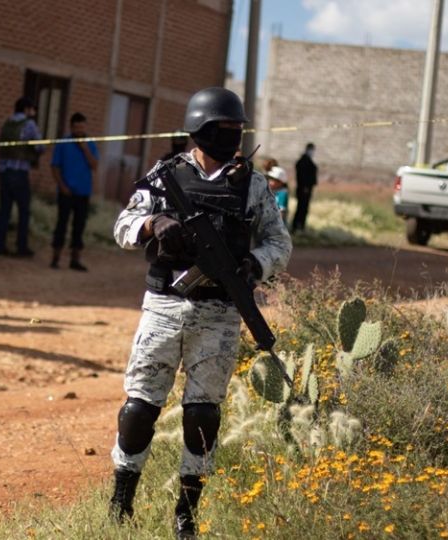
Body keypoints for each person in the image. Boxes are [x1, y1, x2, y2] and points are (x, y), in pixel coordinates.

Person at [108, 87, 292, 538]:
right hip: (165, 306)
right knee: (139, 408)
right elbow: (122, 226)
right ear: (199, 131)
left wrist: (254, 264)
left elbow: (279, 242)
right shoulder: (164, 175)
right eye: (220, 130)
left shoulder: (250, 185)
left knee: (203, 415)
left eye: (236, 131)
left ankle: (186, 515)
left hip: (220, 314)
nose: (229, 138)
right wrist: (154, 223)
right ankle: (120, 503)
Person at [0, 96, 44, 257]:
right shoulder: (29, 124)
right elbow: (40, 146)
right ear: (26, 109)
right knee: (24, 211)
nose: (33, 112)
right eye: (32, 109)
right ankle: (21, 246)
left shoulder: (7, 122)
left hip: (3, 170)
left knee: (4, 210)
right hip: (19, 171)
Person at [50, 112, 98, 271]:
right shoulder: (63, 143)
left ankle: (75, 259)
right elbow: (55, 166)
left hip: (83, 192)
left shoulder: (90, 143)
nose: (79, 130)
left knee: (79, 226)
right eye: (76, 127)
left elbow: (94, 166)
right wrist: (62, 185)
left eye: (82, 127)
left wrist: (85, 149)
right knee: (61, 224)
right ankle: (55, 257)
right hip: (66, 191)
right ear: (71, 127)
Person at [292, 142, 318, 233]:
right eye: (312, 150)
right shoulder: (303, 161)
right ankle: (296, 226)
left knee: (304, 208)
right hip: (303, 189)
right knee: (301, 207)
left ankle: (301, 226)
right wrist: (305, 186)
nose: (312, 152)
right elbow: (302, 176)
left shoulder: (308, 160)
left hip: (306, 189)